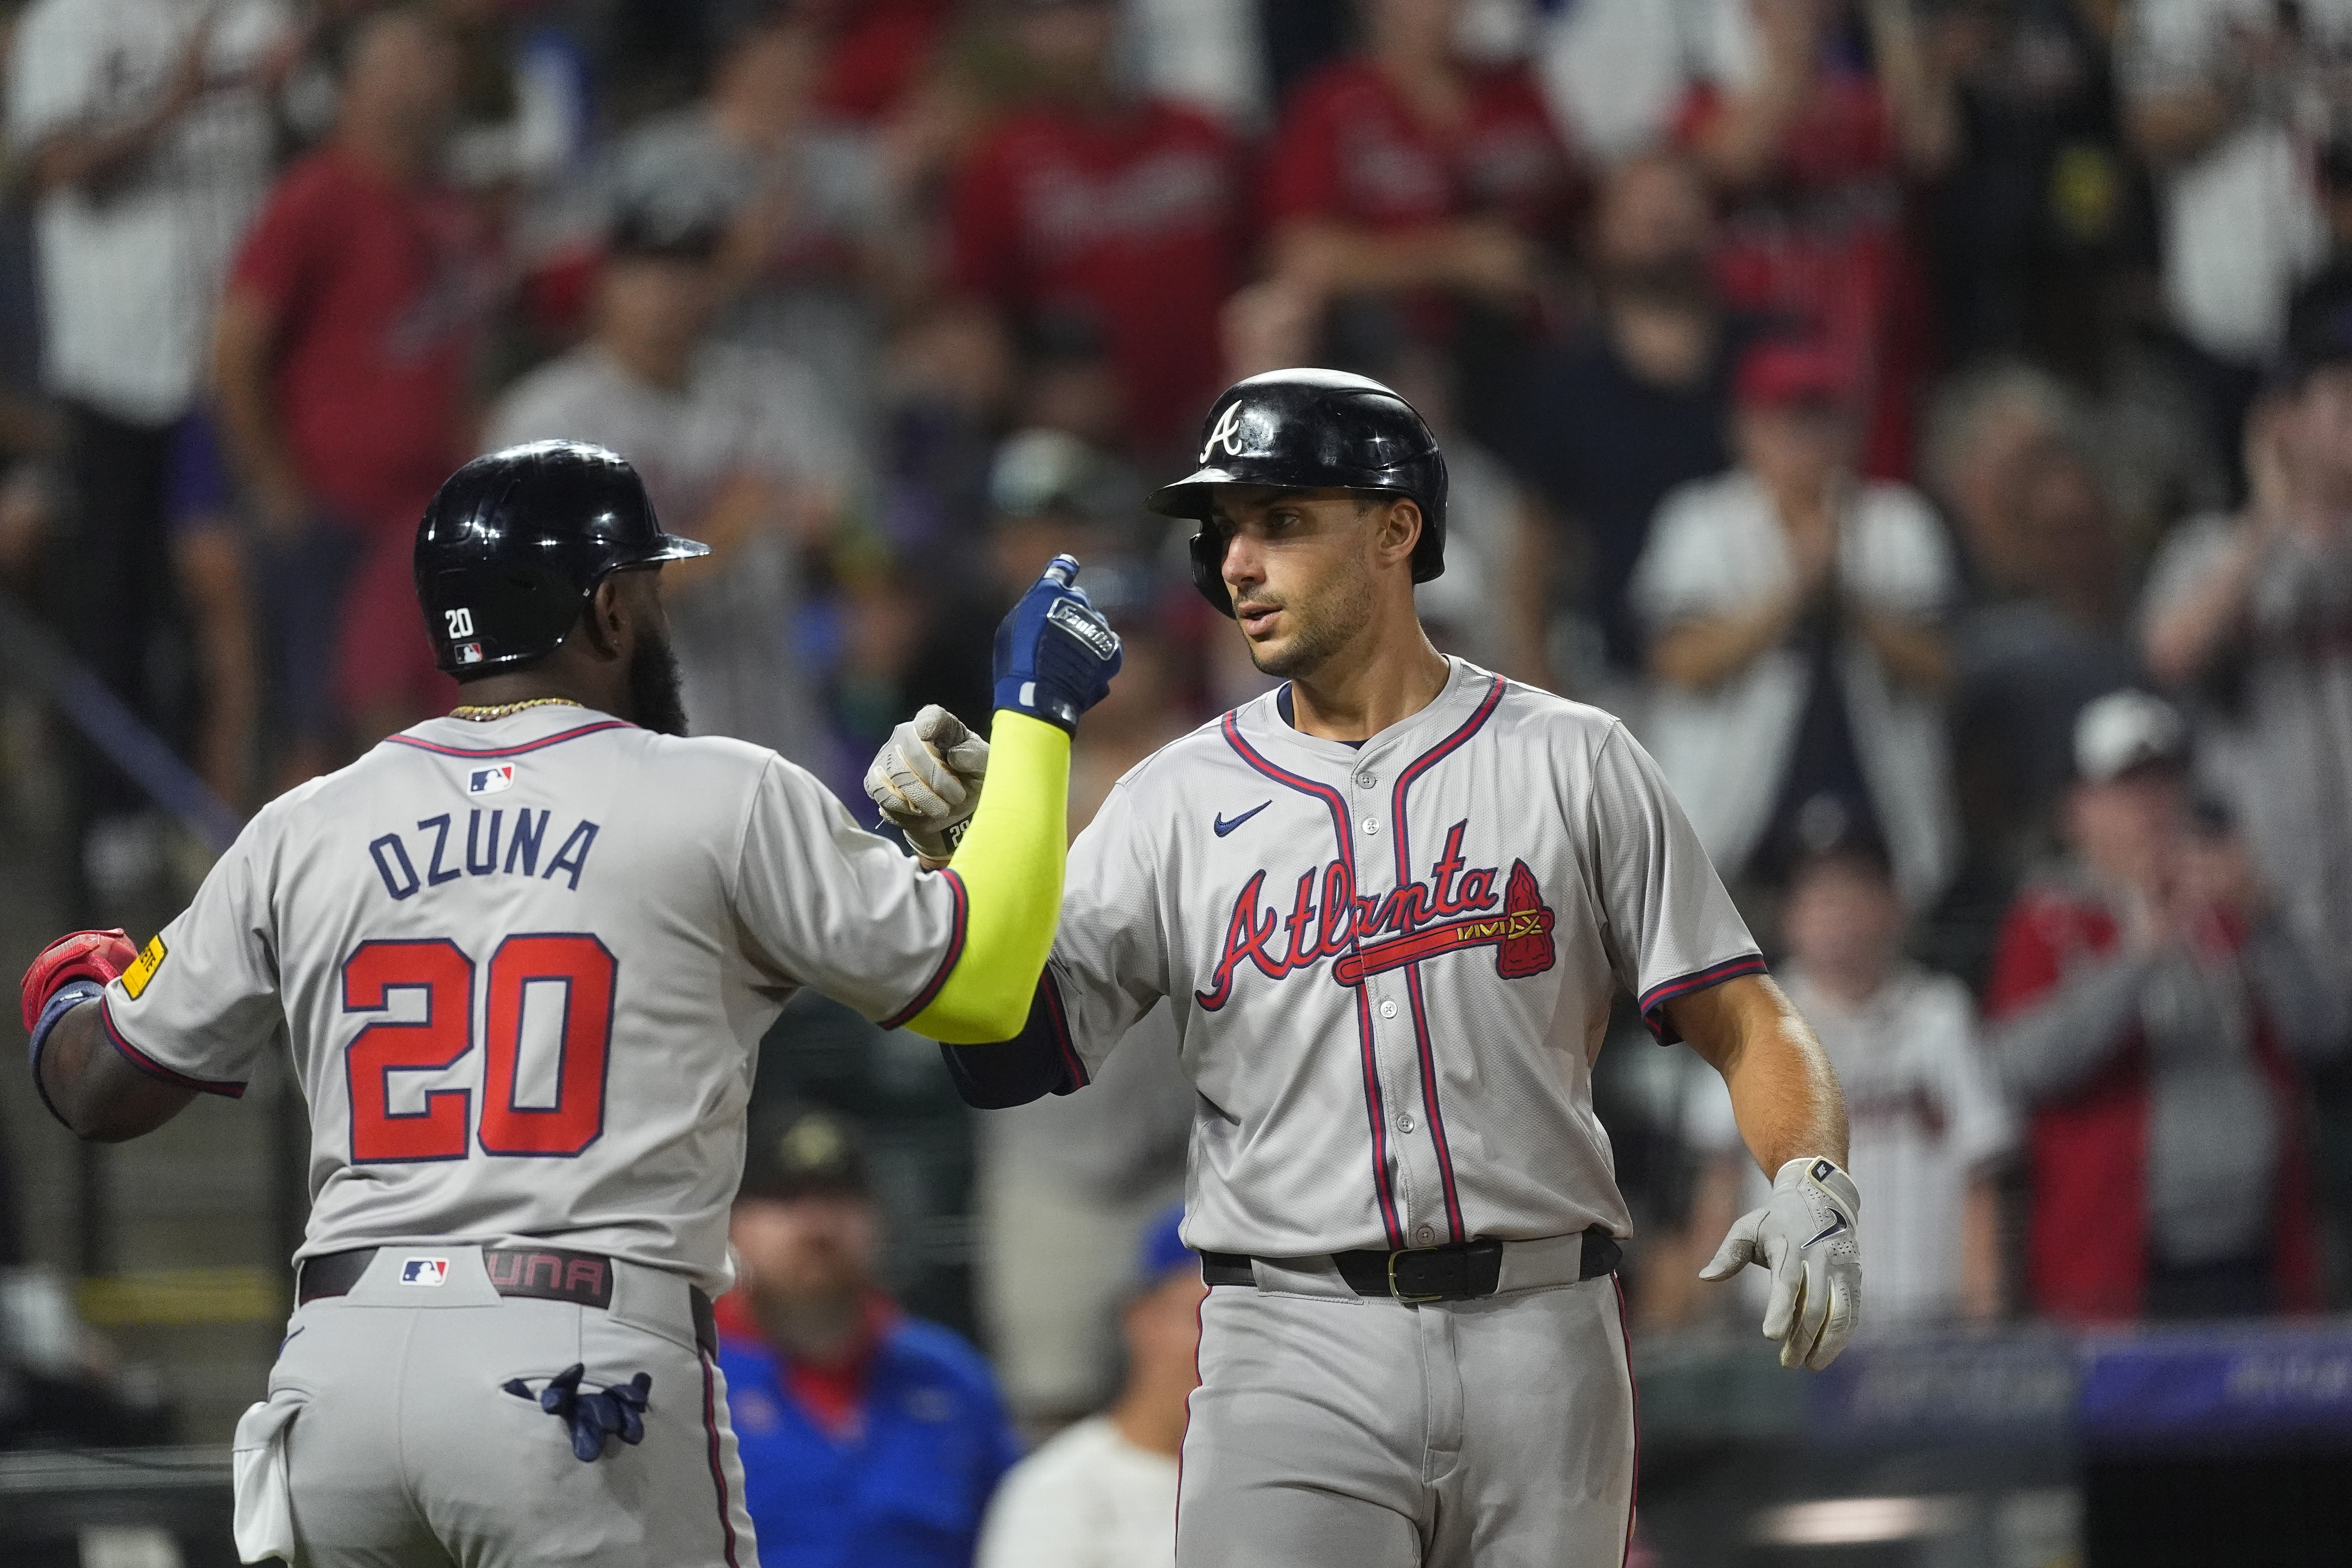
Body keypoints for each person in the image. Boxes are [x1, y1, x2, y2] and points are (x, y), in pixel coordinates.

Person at [16, 440, 1119, 1567]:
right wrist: (1033, 716)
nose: (659, 616)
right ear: (606, 610)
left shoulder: (305, 826)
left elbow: (95, 1085)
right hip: (575, 1359)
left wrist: (71, 980)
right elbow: (985, 992)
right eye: (648, 589)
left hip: (335, 1380)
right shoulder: (720, 794)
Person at [867, 368, 1863, 1567]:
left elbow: (1743, 1018)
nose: (1238, 561)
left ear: (1396, 530)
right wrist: (960, 865)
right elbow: (1010, 1057)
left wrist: (1807, 1170)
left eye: (1281, 521)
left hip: (1542, 1329)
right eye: (1227, 529)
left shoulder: (1573, 759)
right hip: (1289, 1337)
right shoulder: (1175, 800)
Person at [8, 0, 294, 907]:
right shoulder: (70, 23)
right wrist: (177, 101)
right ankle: (102, 834)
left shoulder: (259, 13)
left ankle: (205, 824)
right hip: (115, 369)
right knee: (113, 615)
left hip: (233, 366)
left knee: (227, 612)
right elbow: (54, 170)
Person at [1984, 689, 2340, 1321]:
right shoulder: (2048, 919)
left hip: (2258, 1253)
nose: (2152, 806)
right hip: (2119, 1266)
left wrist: (2268, 925)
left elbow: (2322, 1033)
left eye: (2164, 782)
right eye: (2126, 788)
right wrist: (2138, 957)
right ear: (2077, 810)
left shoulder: (2234, 910)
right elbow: (2018, 1066)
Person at [210, 5, 488, 780]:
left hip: (431, 513)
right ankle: (298, 899)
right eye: (405, 58)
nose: (428, 75)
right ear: (354, 85)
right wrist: (276, 485)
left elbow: (461, 355)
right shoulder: (316, 197)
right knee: (320, 729)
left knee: (438, 721)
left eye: (432, 59)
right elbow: (236, 349)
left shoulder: (447, 203)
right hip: (337, 509)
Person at [486, 195, 851, 773]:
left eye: (688, 271)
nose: (669, 293)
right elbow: (560, 610)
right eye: (647, 272)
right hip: (619, 758)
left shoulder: (776, 395)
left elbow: (854, 560)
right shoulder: (547, 421)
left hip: (779, 733)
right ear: (604, 286)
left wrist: (833, 547)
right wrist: (718, 539)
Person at [1631, 338, 1960, 911]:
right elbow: (1680, 664)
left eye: (1821, 419)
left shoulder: (1899, 522)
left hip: (1884, 836)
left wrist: (1846, 595)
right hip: (1734, 845)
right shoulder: (1700, 523)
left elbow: (1941, 669)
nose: (1808, 440)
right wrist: (1793, 592)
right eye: (1788, 420)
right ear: (1746, 429)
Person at [1674, 830, 2010, 1330]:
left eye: (1855, 891)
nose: (1838, 915)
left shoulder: (1942, 1014)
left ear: (1894, 904)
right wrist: (1706, 1322)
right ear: (1789, 915)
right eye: (1818, 896)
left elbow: (1979, 1184)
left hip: (1923, 1322)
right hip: (1783, 1324)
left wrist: (1983, 1322)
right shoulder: (1752, 1017)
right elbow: (1719, 1182)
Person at [719, 1108, 1021, 1568]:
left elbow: (1015, 1538)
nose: (816, 1226)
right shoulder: (696, 1375)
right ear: (731, 1224)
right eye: (784, 1200)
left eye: (840, 1199)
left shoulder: (949, 1376)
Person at [946, 0, 1244, 462]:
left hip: (1223, 423)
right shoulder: (1002, 162)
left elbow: (1265, 267)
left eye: (1084, 12)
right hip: (1081, 449)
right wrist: (1029, 397)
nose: (1069, 34)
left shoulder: (1202, 137)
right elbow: (977, 316)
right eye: (1044, 18)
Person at [1509, 151, 1746, 701]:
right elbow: (1533, 545)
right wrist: (1536, 678)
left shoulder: (1769, 360)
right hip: (1623, 681)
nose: (1662, 228)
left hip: (1769, 671)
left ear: (1712, 225)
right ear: (1599, 235)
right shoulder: (1565, 383)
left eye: (1677, 210)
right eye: (1643, 215)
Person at [975, 1203, 1203, 1568]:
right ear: (1142, 1320)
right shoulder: (1059, 1493)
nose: (1233, 1347)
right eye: (1206, 1317)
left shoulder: (1284, 1476)